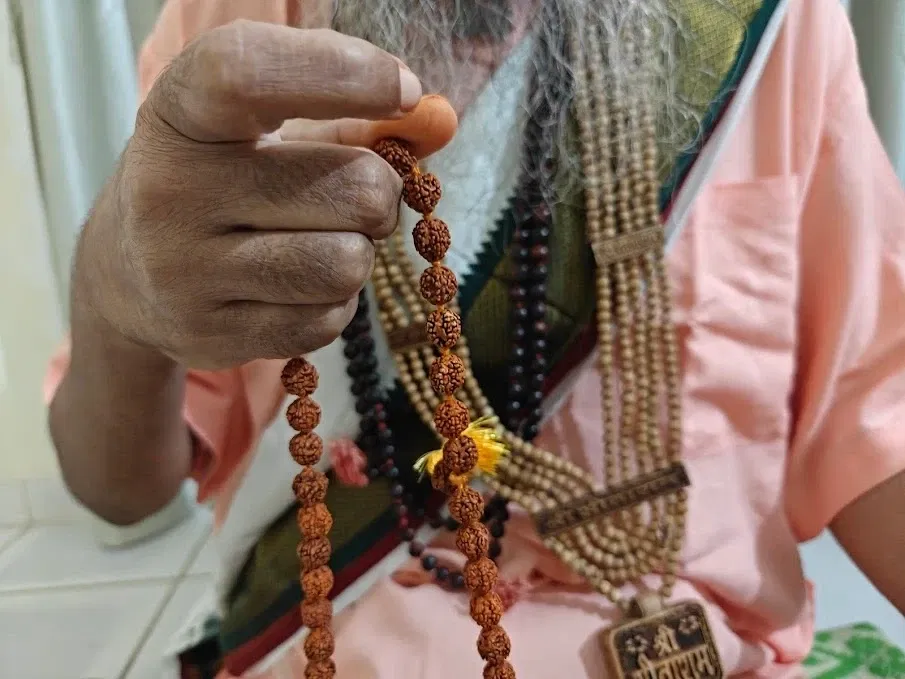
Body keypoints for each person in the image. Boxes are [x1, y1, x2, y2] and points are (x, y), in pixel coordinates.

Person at [44, 0, 905, 677]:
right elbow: (120, 490)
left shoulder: (753, 32)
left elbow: (877, 414)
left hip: (682, 639)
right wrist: (113, 288)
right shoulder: (233, 32)